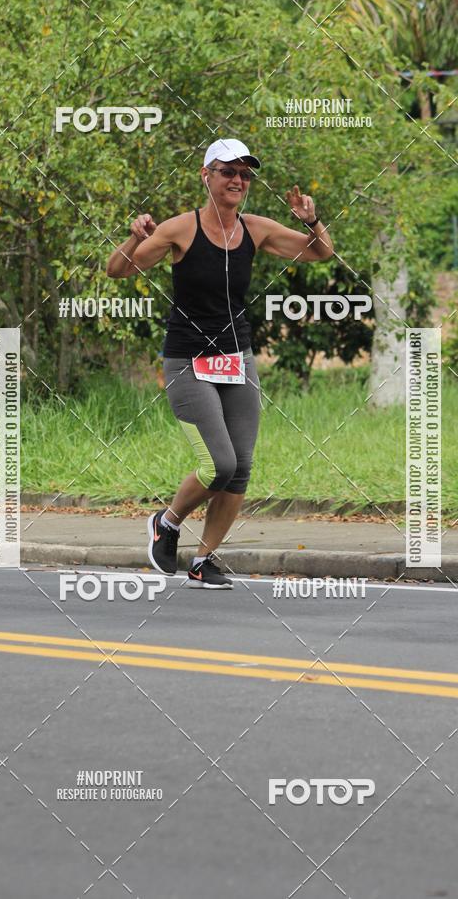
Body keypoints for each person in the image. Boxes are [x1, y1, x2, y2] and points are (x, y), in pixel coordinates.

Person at [107, 138, 334, 588]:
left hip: (237, 359)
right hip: (188, 360)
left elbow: (320, 251)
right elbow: (118, 269)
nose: (237, 180)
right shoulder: (179, 229)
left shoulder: (256, 228)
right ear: (206, 175)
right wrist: (135, 236)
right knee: (219, 464)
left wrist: (312, 221)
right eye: (228, 171)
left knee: (240, 468)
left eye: (245, 175)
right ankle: (167, 523)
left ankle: (203, 560)